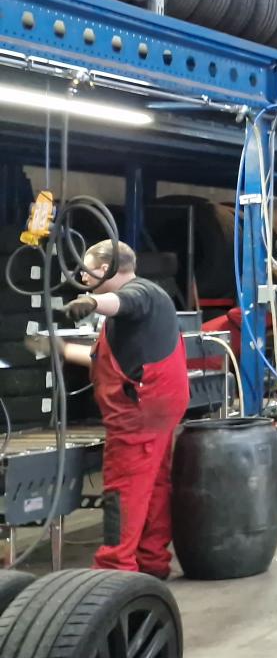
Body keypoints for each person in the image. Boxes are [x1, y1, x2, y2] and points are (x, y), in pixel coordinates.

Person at [40, 240, 190, 576]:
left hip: (138, 415)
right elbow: (104, 360)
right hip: (153, 410)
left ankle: (115, 568)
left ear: (107, 269)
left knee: (124, 491)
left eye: (87, 269)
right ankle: (151, 562)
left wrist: (92, 301)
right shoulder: (138, 311)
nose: (81, 275)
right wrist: (62, 349)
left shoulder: (142, 293)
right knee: (152, 486)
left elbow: (123, 300)